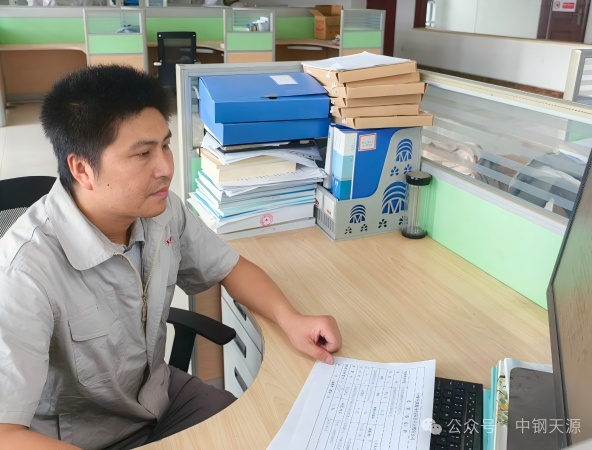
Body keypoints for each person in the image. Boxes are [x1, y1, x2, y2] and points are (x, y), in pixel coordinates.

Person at [0, 64, 342, 450]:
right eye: (142, 154)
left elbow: (229, 266)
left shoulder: (161, 211)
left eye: (165, 145)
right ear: (82, 169)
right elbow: (5, 433)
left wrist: (291, 319)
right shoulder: (23, 273)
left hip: (158, 396)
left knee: (263, 433)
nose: (166, 168)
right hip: (87, 435)